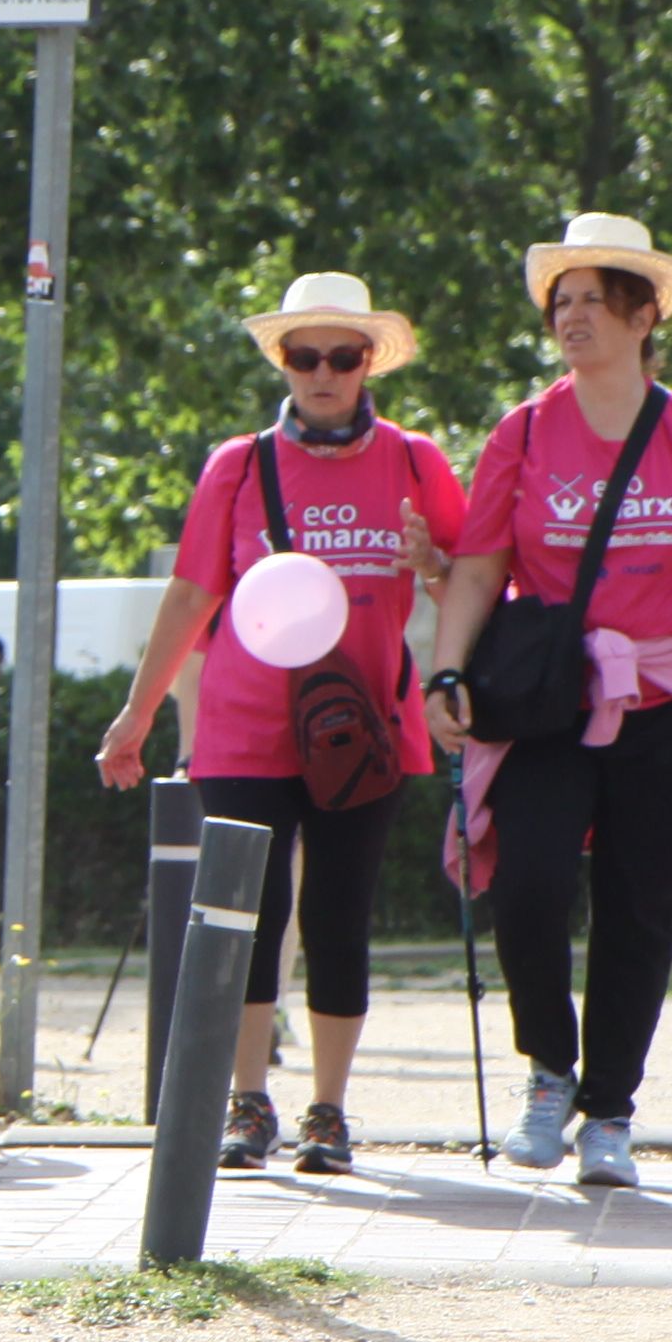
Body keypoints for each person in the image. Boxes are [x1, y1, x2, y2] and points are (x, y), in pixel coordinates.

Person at [424, 214, 672, 1189]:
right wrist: (446, 672)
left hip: (669, 700)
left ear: (641, 316)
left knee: (642, 904)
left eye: (592, 300)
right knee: (530, 885)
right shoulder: (525, 430)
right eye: (562, 302)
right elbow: (476, 567)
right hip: (551, 697)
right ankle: (550, 1070)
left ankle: (610, 1115)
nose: (572, 317)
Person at [94, 271, 464, 1177]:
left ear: (368, 361)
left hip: (364, 730)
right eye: (306, 356)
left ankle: (328, 1112)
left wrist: (436, 565)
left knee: (339, 917)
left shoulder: (416, 461)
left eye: (343, 355)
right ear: (285, 364)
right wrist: (137, 715)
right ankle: (247, 1101)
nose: (324, 372)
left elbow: (474, 576)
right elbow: (190, 593)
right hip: (247, 727)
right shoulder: (238, 464)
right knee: (244, 917)